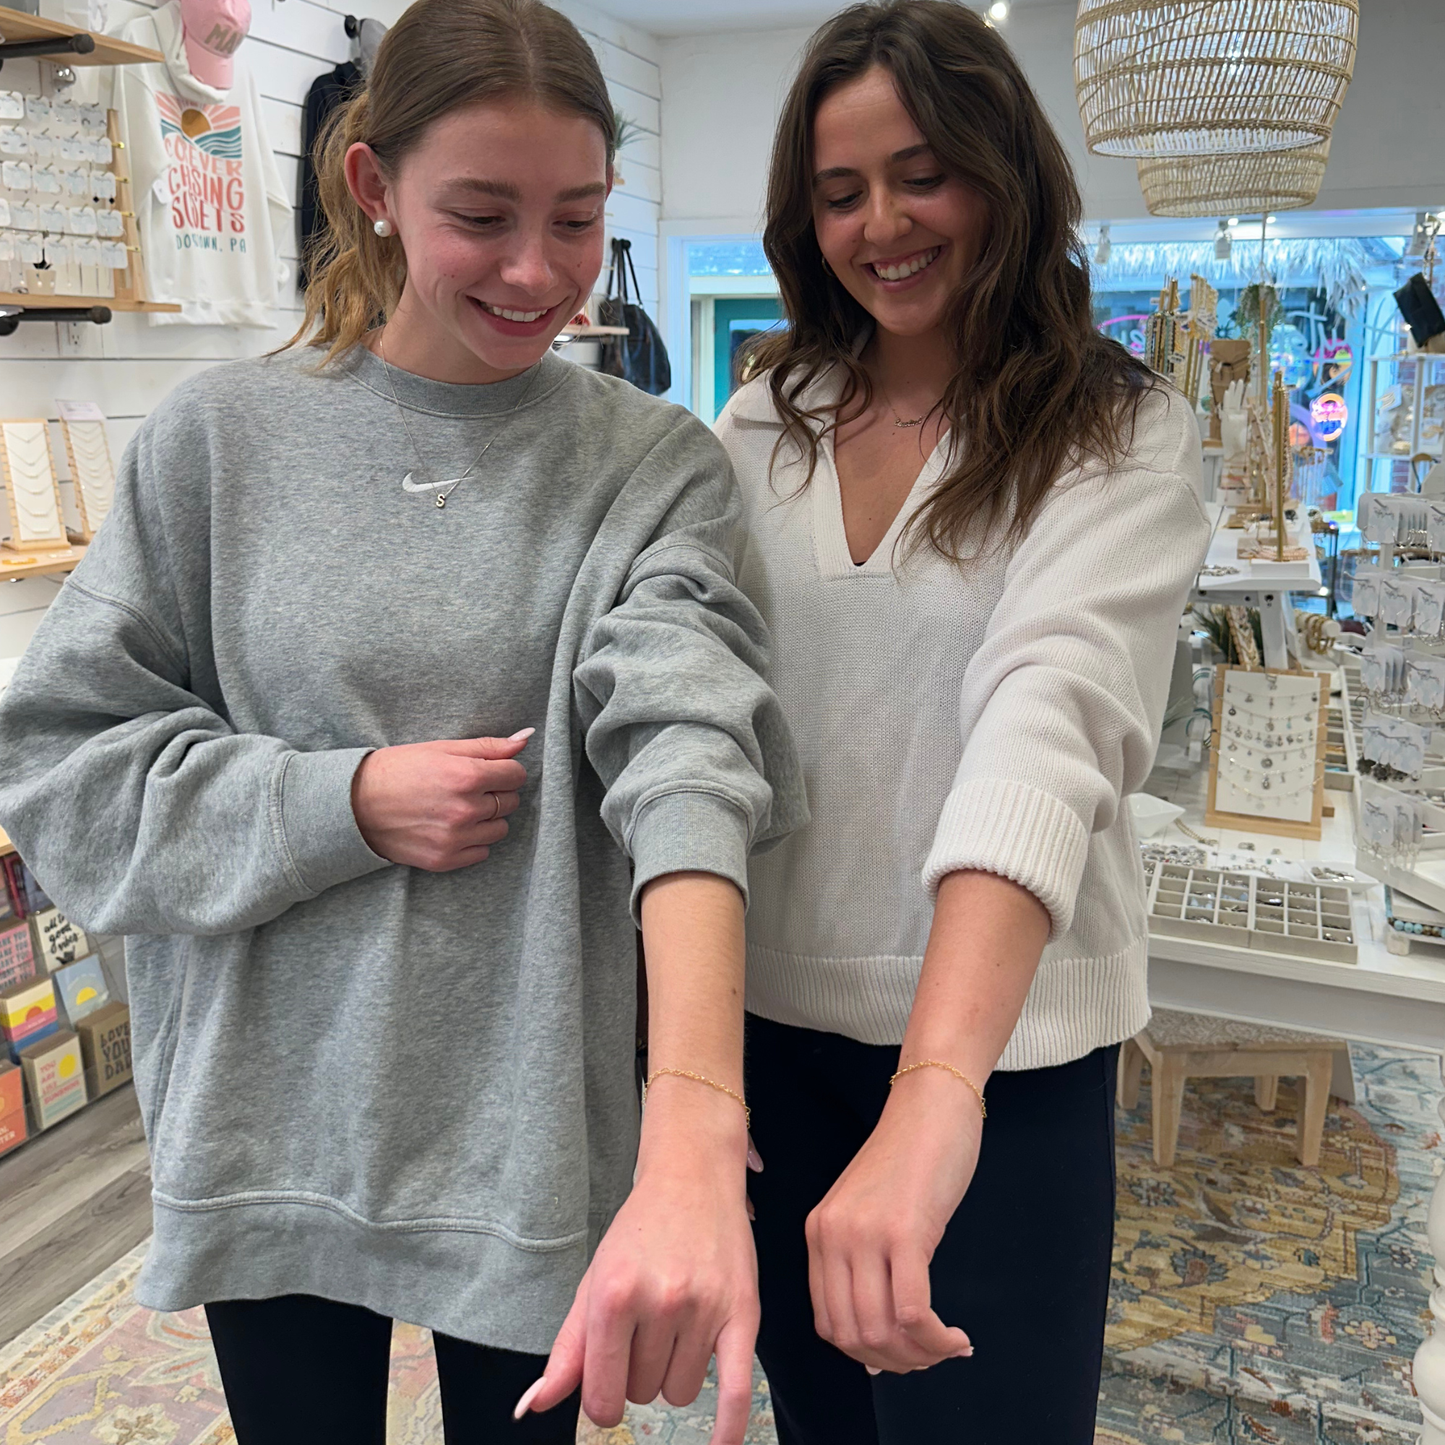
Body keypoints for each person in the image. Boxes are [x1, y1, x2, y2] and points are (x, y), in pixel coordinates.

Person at [0, 3, 804, 1442]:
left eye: (577, 219)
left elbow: (690, 739)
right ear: (373, 189)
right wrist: (341, 803)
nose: (537, 271)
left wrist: (694, 1110)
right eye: (481, 215)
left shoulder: (649, 466)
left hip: (527, 1134)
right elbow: (61, 763)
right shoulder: (217, 444)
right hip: (274, 1116)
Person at [713, 3, 1211, 1441]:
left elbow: (1048, 728)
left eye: (923, 173)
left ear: (1006, 171)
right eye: (840, 190)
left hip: (1006, 1064)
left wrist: (937, 1090)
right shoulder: (766, 420)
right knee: (820, 1421)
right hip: (772, 1038)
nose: (884, 224)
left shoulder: (1115, 435)